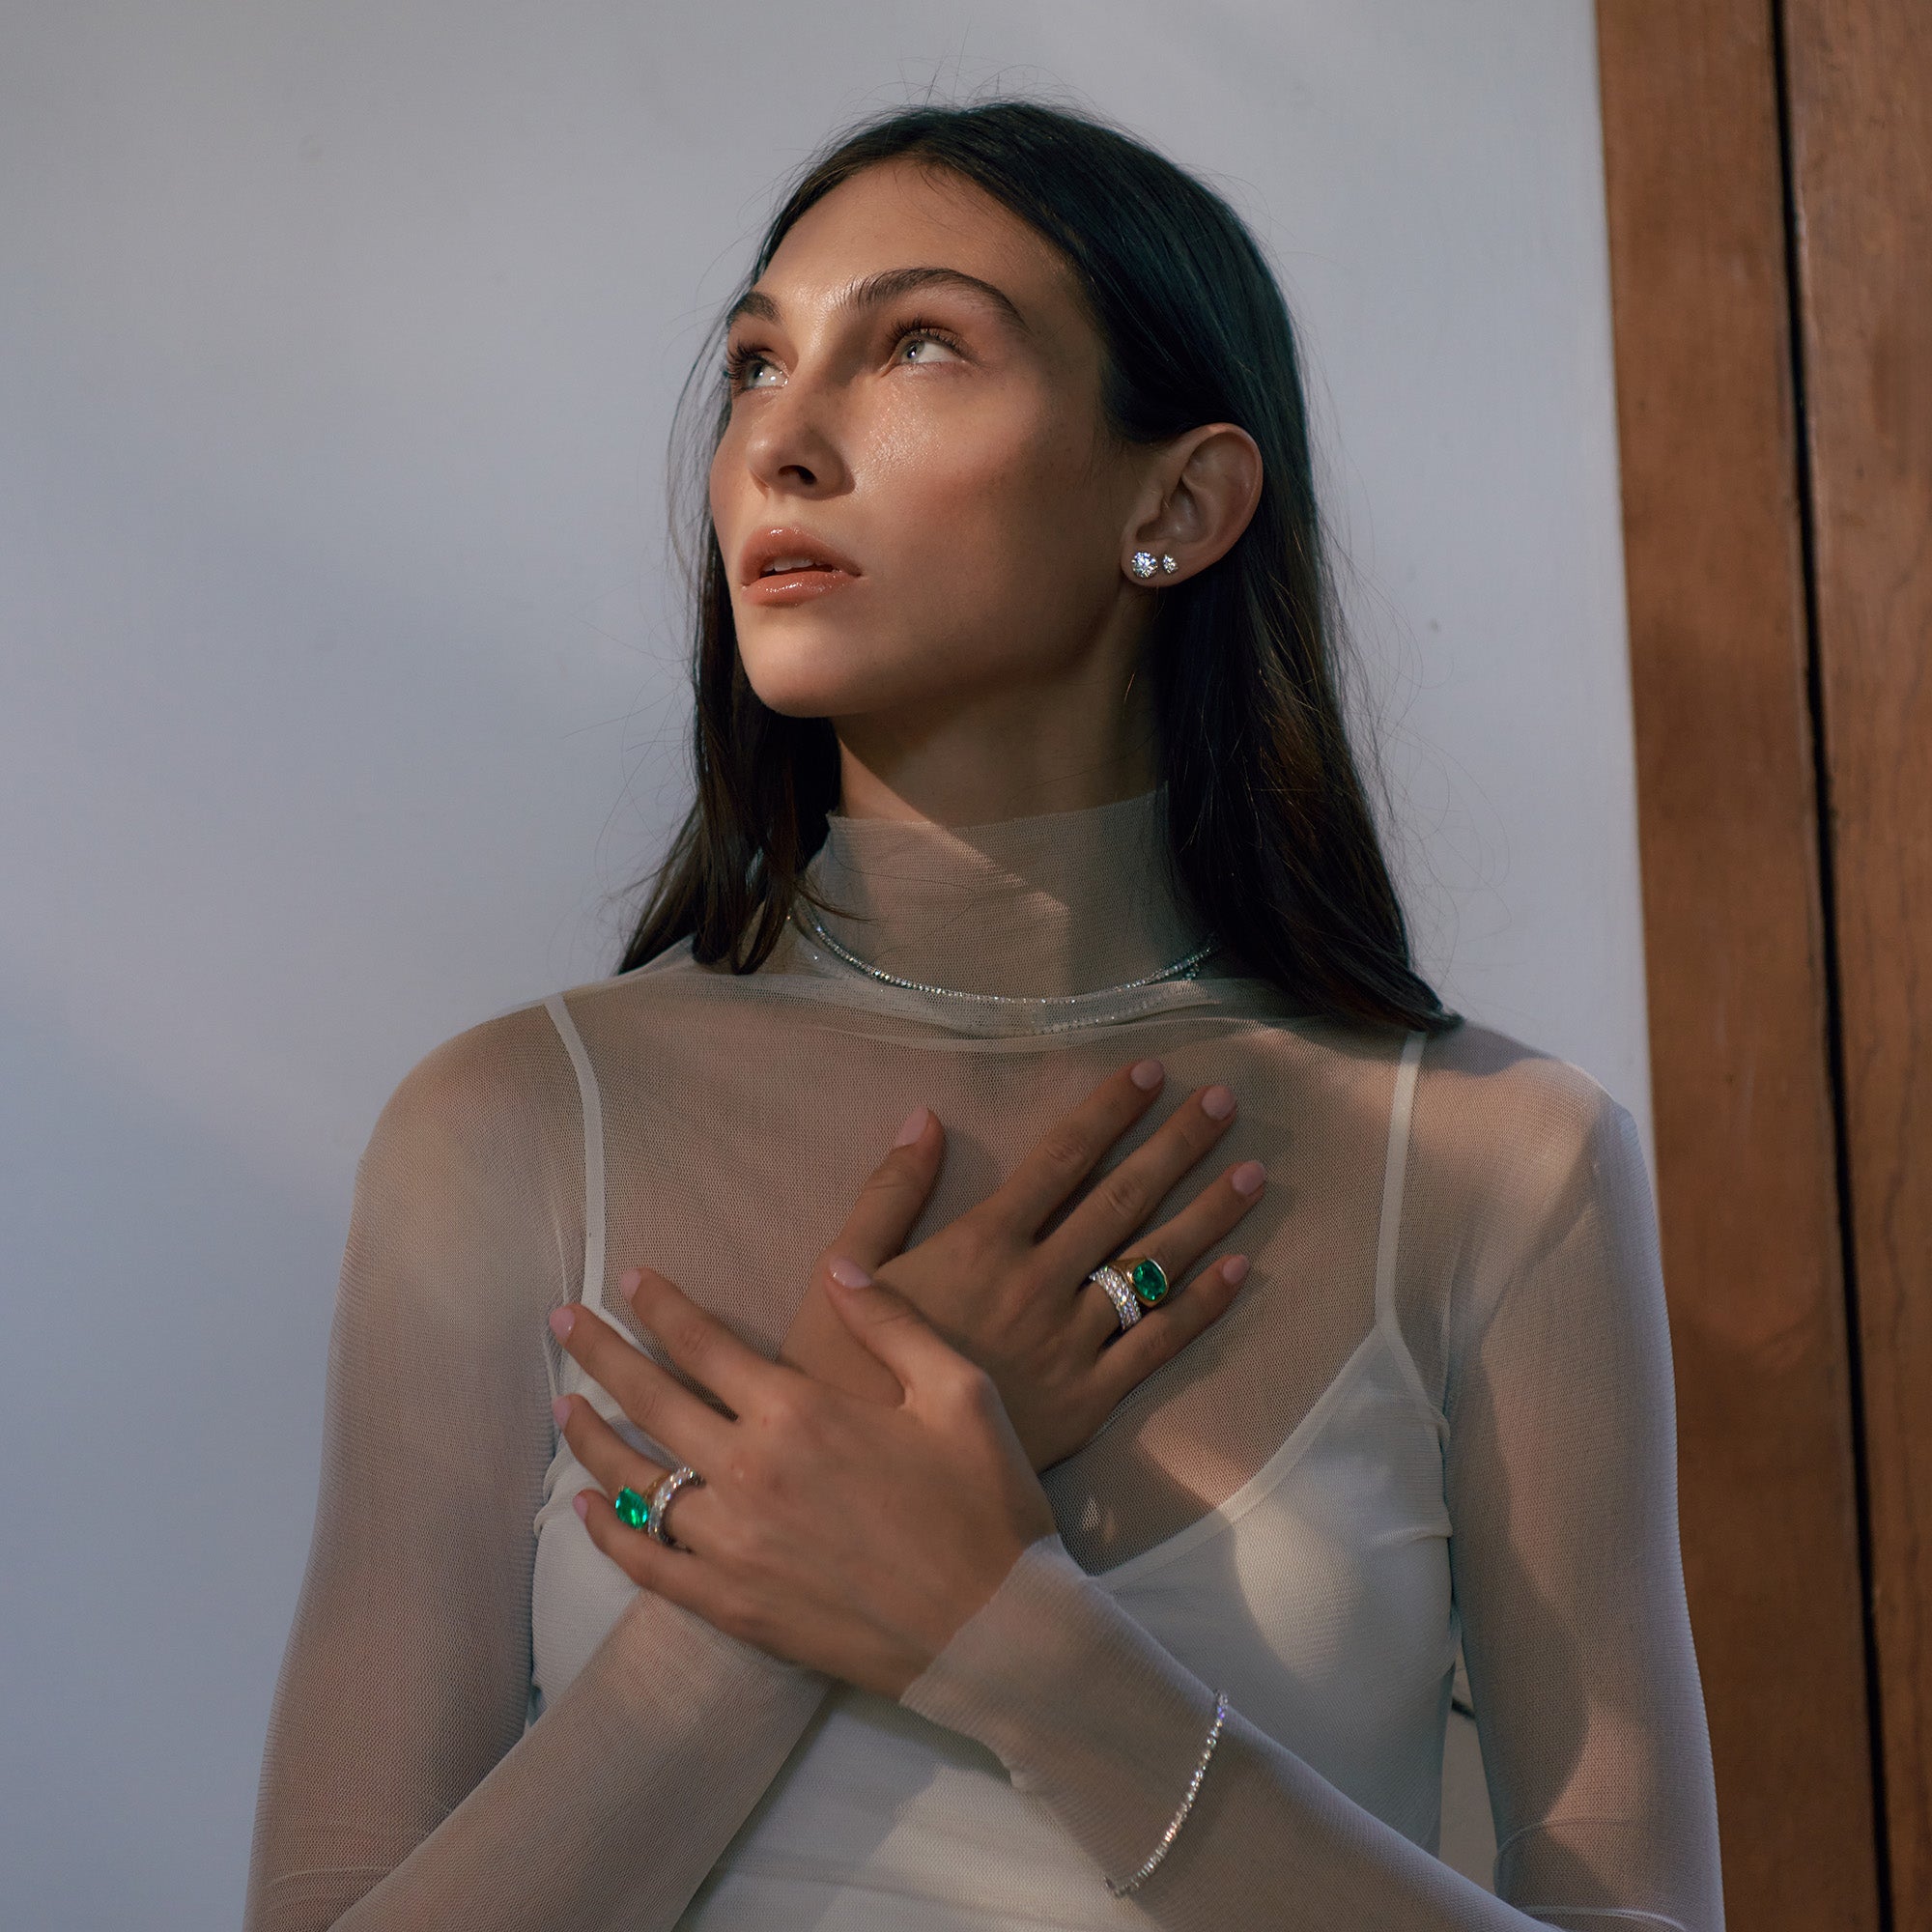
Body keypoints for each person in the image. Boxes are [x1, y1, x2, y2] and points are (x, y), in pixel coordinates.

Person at [242, 99, 1724, 1930]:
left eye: (919, 344)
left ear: (1178, 502)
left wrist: (998, 1635)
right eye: (759, 365)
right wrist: (781, 1582)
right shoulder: (515, 1122)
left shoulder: (1504, 1162)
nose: (781, 439)